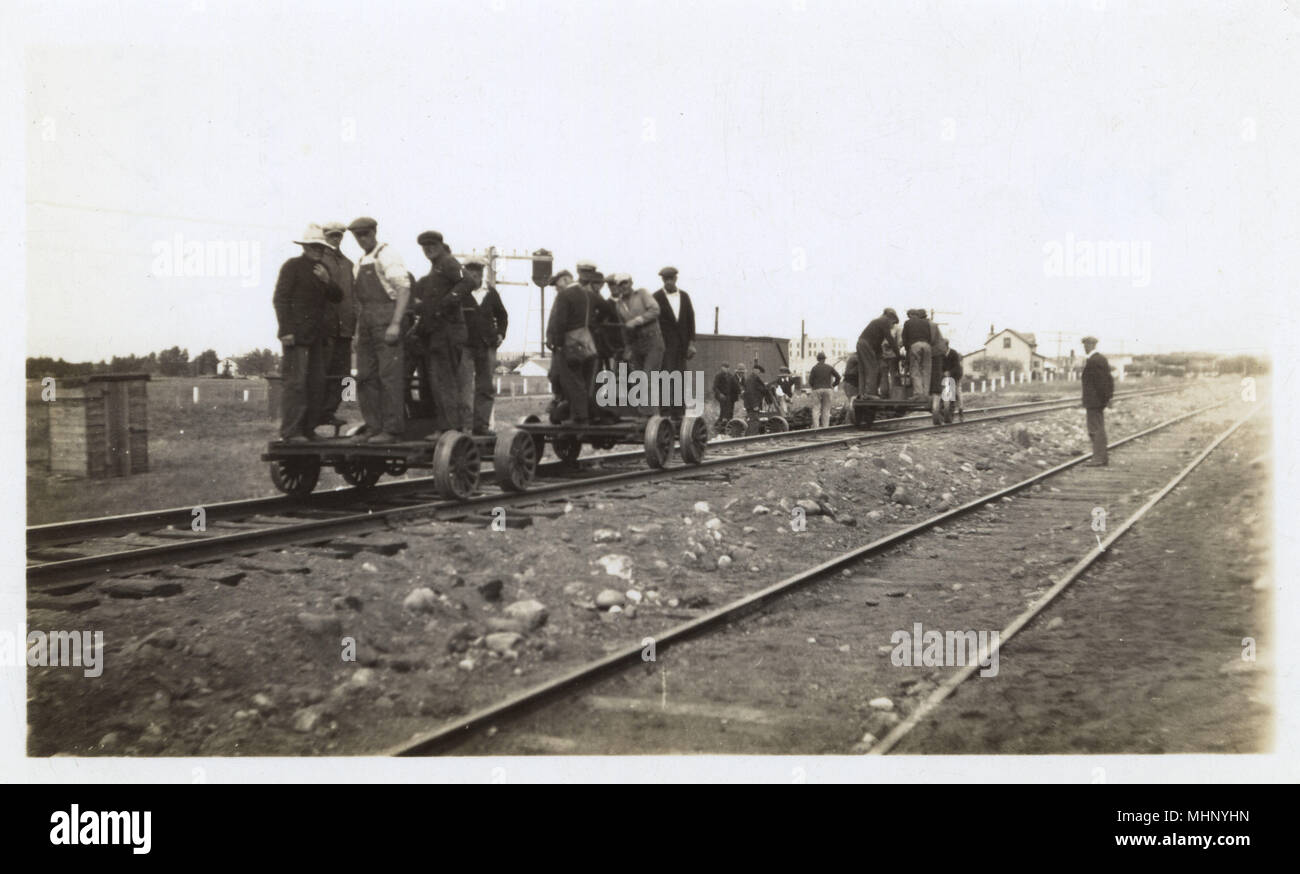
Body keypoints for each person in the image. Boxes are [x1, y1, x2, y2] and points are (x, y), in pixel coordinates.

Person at [272, 224, 344, 442]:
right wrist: (286, 330)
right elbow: (280, 299)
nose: (318, 251)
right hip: (296, 337)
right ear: (305, 247)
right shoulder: (292, 266)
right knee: (296, 384)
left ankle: (308, 429)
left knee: (316, 384)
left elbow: (337, 296)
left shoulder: (323, 270)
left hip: (317, 338)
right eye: (313, 246)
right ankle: (292, 431)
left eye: (320, 248)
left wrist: (327, 281)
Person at [346, 217, 410, 444]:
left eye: (365, 233)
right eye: (357, 235)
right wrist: (356, 332)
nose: (362, 239)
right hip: (365, 323)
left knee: (389, 377)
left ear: (374, 232)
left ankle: (391, 429)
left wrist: (395, 323)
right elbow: (359, 302)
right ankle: (374, 427)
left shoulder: (387, 255)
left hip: (386, 319)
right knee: (364, 377)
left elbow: (403, 289)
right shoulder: (360, 261)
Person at [413, 230, 476, 438]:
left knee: (444, 381)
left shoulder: (447, 262)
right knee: (439, 380)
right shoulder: (436, 267)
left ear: (441, 245)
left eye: (432, 245)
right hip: (439, 331)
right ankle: (447, 426)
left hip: (448, 330)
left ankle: (449, 428)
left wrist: (447, 302)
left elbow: (467, 281)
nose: (428, 249)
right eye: (424, 247)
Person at [461, 256, 509, 435]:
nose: (474, 277)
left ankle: (481, 425)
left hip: (487, 345)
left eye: (477, 273)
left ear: (481, 274)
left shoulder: (491, 293)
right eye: (470, 273)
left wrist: (500, 334)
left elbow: (503, 316)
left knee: (485, 386)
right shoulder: (460, 293)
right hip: (465, 347)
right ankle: (465, 426)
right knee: (464, 386)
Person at [546, 264, 597, 424]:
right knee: (582, 380)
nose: (557, 288)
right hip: (585, 344)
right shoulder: (585, 294)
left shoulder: (564, 296)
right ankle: (581, 413)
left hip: (569, 345)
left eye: (558, 284)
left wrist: (558, 344)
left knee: (571, 381)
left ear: (566, 279)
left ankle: (579, 417)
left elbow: (560, 322)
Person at [317, 221, 355, 429]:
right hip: (327, 327)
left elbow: (354, 296)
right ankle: (316, 413)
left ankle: (329, 412)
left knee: (343, 374)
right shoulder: (319, 261)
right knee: (323, 372)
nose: (335, 238)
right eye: (331, 235)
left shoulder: (349, 264)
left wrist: (355, 325)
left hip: (346, 328)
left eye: (339, 235)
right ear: (325, 236)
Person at [612, 276, 664, 415]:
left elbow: (655, 310)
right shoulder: (619, 304)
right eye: (620, 284)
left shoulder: (642, 294)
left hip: (652, 341)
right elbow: (624, 329)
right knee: (639, 379)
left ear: (631, 283)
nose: (624, 286)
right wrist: (628, 346)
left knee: (648, 378)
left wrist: (637, 321)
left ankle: (653, 416)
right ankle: (644, 414)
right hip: (636, 344)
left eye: (625, 282)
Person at [653, 266, 696, 419]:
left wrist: (691, 343)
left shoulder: (684, 296)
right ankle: (665, 414)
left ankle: (679, 414)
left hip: (682, 346)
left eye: (671, 279)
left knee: (679, 378)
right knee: (665, 377)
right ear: (663, 280)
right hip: (664, 346)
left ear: (676, 279)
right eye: (666, 279)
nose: (669, 282)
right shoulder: (656, 297)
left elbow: (690, 319)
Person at [1081, 335, 1113, 466]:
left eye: (1086, 345)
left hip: (1095, 401)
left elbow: (1101, 382)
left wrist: (1105, 398)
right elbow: (1109, 380)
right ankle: (1102, 457)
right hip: (1097, 401)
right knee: (1099, 428)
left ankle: (1098, 458)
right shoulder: (1100, 359)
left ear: (1091, 345)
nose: (1085, 348)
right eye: (1084, 345)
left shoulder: (1094, 361)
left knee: (1095, 429)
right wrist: (1108, 398)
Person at [856, 308, 900, 399]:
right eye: (893, 322)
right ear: (890, 317)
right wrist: (898, 354)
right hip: (866, 344)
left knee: (863, 370)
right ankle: (870, 393)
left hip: (861, 343)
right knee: (873, 368)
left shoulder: (877, 322)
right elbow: (890, 339)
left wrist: (881, 356)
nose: (893, 325)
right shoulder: (884, 321)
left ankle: (862, 393)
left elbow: (877, 344)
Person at [902, 308, 933, 399]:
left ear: (910, 315)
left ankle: (918, 394)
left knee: (915, 370)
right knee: (926, 370)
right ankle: (926, 394)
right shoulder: (926, 323)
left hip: (915, 345)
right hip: (927, 346)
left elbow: (905, 339)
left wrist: (908, 350)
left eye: (908, 316)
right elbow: (929, 337)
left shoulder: (907, 323)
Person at [807, 351, 841, 428]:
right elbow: (838, 377)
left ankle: (816, 427)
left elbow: (810, 381)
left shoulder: (814, 368)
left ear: (817, 359)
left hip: (817, 389)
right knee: (826, 409)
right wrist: (833, 385)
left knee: (816, 408)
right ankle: (825, 427)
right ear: (824, 359)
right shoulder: (829, 367)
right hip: (827, 389)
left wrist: (814, 386)